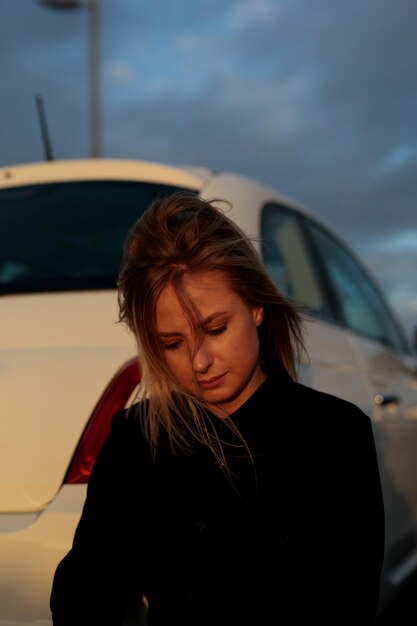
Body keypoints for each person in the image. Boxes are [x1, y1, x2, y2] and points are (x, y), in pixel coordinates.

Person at [50, 190, 385, 626]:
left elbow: (349, 606)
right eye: (172, 343)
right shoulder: (138, 441)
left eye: (216, 328)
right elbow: (85, 596)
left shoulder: (335, 435)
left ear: (256, 305)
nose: (199, 362)